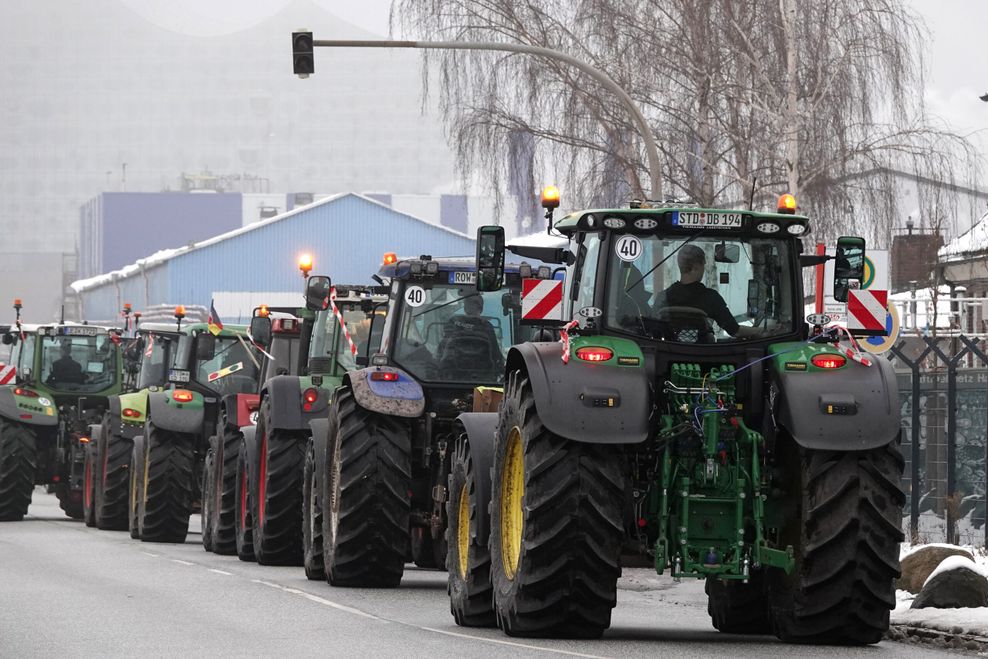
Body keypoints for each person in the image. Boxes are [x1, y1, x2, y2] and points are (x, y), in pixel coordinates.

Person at [659, 244, 761, 339]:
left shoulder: (663, 297)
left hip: (669, 353)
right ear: (696, 267)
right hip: (705, 354)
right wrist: (764, 331)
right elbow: (735, 331)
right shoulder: (711, 298)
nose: (704, 269)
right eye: (704, 265)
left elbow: (652, 328)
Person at [437, 295, 503, 375]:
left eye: (470, 303)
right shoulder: (486, 326)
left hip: (455, 373)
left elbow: (443, 347)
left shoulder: (454, 321)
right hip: (480, 375)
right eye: (468, 303)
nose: (468, 305)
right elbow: (495, 354)